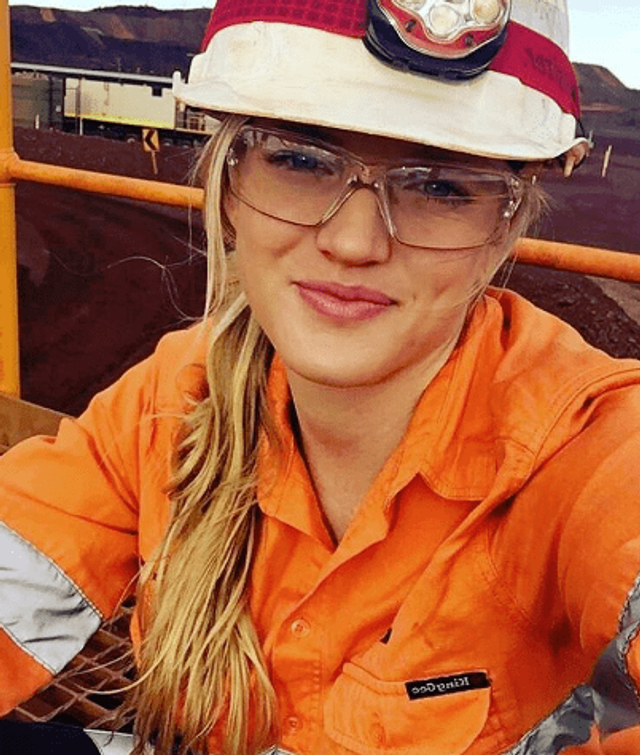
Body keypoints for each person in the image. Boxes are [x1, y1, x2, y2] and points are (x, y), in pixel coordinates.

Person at [2, 1, 640, 754]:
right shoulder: (176, 395)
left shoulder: (582, 448)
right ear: (229, 182)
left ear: (505, 224)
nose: (353, 240)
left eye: (438, 186)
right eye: (301, 160)